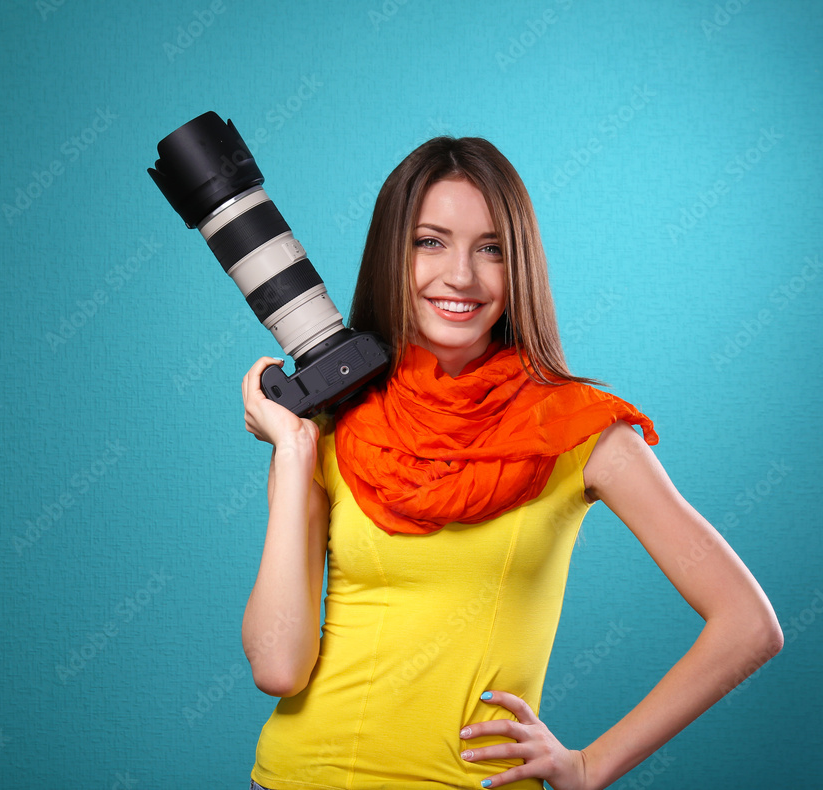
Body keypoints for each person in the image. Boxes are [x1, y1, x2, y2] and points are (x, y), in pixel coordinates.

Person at [239, 136, 782, 790]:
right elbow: (278, 667)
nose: (461, 276)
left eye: (490, 248)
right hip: (297, 775)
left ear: (519, 263)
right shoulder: (330, 421)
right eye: (430, 242)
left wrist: (588, 765)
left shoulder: (580, 431)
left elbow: (748, 625)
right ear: (393, 254)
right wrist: (294, 453)